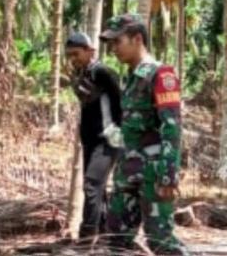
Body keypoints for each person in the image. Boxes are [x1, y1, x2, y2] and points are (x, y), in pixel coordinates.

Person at [99, 14, 188, 255]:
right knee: (115, 239)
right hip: (127, 171)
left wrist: (169, 175)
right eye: (111, 43)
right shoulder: (130, 78)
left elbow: (171, 128)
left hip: (152, 174)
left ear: (137, 39)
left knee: (160, 241)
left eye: (118, 42)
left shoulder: (161, 75)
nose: (114, 49)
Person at [64, 32, 122, 239]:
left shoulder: (103, 72)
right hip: (90, 139)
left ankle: (87, 237)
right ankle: (104, 234)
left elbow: (121, 101)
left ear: (90, 51)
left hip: (108, 138)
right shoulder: (82, 73)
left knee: (92, 185)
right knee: (97, 188)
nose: (73, 59)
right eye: (69, 55)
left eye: (76, 54)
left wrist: (120, 133)